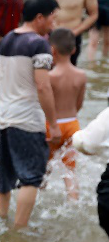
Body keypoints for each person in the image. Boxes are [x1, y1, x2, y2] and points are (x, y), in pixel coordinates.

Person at [0, 0, 60, 229]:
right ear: (40, 17)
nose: (54, 24)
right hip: (27, 119)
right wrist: (53, 123)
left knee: (5, 177)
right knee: (32, 178)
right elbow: (43, 86)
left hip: (5, 117)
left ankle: (1, 220)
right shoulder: (39, 44)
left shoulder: (6, 39)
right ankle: (18, 231)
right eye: (52, 18)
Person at [46, 28, 86, 200]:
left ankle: (37, 196)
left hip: (52, 125)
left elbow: (45, 104)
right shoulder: (81, 75)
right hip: (73, 124)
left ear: (52, 50)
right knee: (70, 170)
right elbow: (79, 104)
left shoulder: (50, 76)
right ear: (74, 50)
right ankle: (74, 201)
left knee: (44, 167)